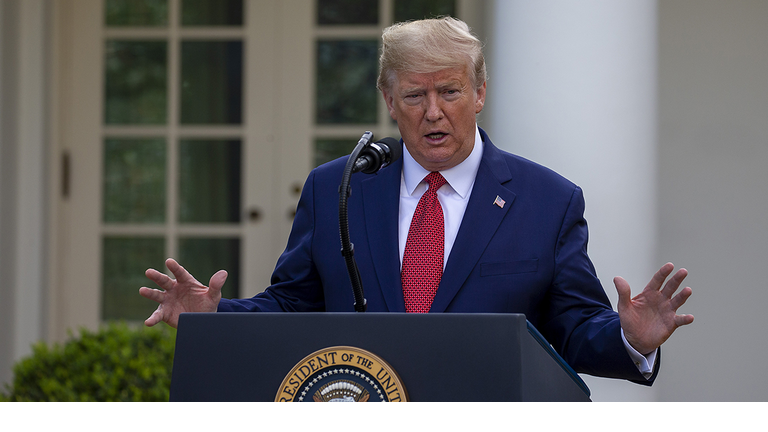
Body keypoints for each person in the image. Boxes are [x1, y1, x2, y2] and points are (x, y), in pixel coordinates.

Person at [139, 17, 693, 384]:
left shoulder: (548, 200)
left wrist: (629, 339)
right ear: (389, 99)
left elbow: (574, 327)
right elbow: (291, 306)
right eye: (414, 95)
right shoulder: (338, 188)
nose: (433, 112)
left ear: (479, 93)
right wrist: (216, 317)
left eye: (450, 91)